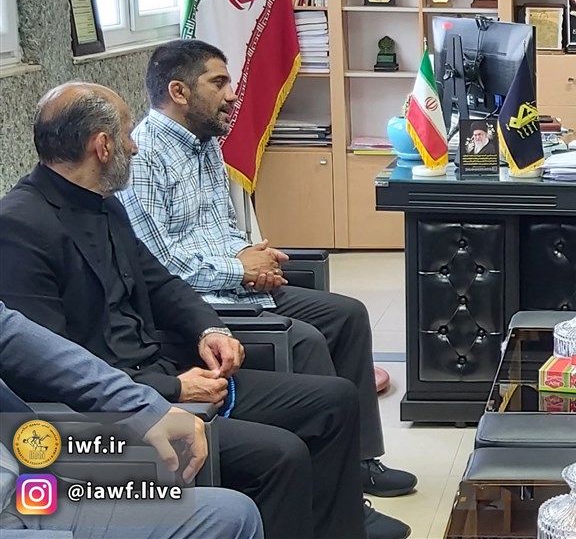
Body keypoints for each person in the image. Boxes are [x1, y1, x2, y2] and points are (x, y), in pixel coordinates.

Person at [0, 82, 409, 539]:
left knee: (334, 401)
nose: (135, 147)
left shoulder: (105, 204)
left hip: (170, 373)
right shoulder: (20, 225)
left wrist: (208, 330)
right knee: (281, 454)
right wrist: (171, 389)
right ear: (102, 145)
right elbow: (48, 368)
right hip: (109, 415)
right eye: (128, 135)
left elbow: (160, 283)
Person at [117, 41, 416, 503]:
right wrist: (239, 270)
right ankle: (333, 496)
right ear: (178, 91)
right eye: (219, 83)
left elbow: (223, 227)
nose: (232, 94)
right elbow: (160, 265)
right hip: (203, 303)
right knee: (307, 340)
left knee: (348, 315)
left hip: (238, 285)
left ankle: (358, 464)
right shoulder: (145, 157)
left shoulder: (204, 144)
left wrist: (256, 258)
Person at [0, 301, 263, 539]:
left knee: (232, 515)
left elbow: (10, 333)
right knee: (269, 457)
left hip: (22, 493)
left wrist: (143, 407)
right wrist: (173, 388)